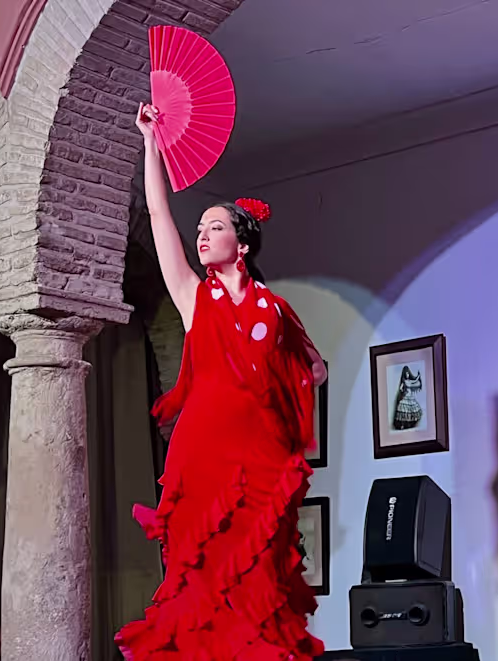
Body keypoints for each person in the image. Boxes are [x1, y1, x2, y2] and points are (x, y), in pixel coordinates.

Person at [116, 103, 327, 659]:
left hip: (260, 457)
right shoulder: (193, 296)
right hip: (202, 455)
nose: (202, 235)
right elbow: (160, 216)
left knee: (258, 582)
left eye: (215, 226)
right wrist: (150, 145)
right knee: (201, 578)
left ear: (244, 242)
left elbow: (317, 368)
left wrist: (286, 387)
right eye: (201, 228)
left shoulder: (276, 309)